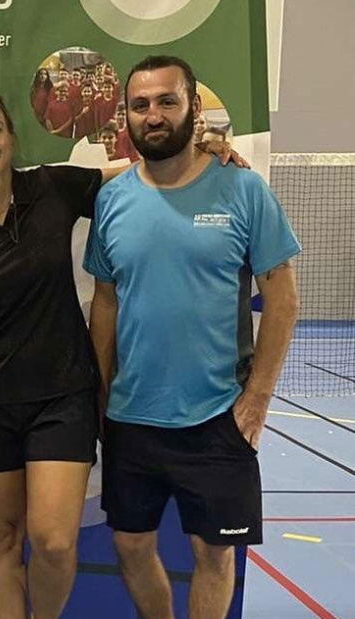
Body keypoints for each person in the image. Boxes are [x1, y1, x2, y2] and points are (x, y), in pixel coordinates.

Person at [0, 87, 242, 619]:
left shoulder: (51, 187)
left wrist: (199, 150)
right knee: (2, 536)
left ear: (11, 137)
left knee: (53, 541)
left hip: (63, 395)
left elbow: (135, 172)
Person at [83, 55, 300, 619]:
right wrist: (100, 392)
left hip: (219, 416)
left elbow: (283, 301)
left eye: (166, 101)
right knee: (130, 546)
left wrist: (257, 398)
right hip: (132, 416)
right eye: (140, 105)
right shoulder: (112, 200)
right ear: (126, 117)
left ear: (194, 107)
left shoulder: (243, 190)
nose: (153, 115)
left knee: (214, 554)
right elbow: (105, 301)